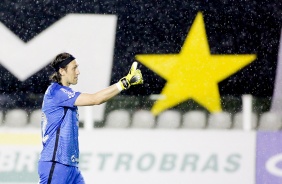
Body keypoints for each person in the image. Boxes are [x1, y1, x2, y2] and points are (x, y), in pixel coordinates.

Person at [37, 52, 143, 184]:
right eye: (74, 68)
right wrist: (124, 83)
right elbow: (95, 99)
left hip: (70, 166)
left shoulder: (63, 94)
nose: (78, 72)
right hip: (56, 163)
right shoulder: (56, 92)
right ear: (62, 71)